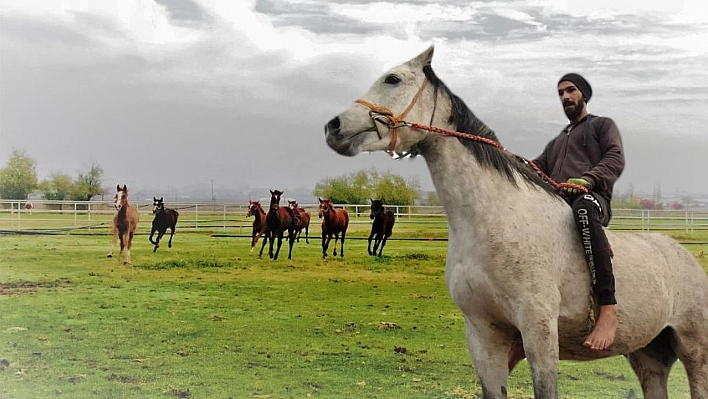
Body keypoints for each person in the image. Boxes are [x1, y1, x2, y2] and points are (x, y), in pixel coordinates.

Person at [533, 73, 625, 350]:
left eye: (570, 90)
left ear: (584, 94)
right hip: (559, 202)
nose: (565, 97)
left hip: (592, 198)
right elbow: (535, 168)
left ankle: (607, 307)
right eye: (560, 93)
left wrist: (588, 179)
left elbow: (614, 157)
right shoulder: (558, 141)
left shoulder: (602, 125)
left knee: (583, 210)